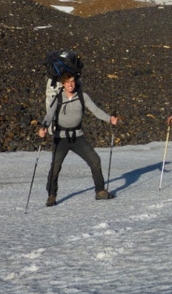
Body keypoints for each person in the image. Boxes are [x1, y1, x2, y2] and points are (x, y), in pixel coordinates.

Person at [38, 72, 118, 205]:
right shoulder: (58, 98)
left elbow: (96, 110)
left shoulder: (82, 96)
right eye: (67, 82)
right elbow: (49, 115)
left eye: (72, 81)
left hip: (78, 137)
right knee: (55, 167)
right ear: (63, 84)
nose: (70, 84)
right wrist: (44, 127)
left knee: (95, 160)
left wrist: (109, 119)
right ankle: (51, 195)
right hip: (61, 138)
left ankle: (100, 191)